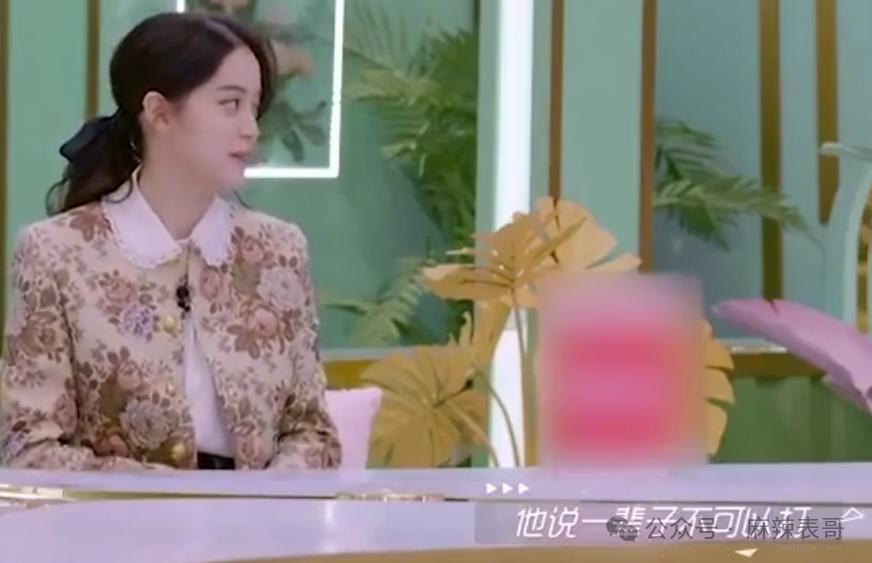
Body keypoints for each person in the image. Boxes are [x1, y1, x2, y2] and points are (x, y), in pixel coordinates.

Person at [0, 12, 342, 471]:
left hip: (262, 513)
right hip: (114, 516)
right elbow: (29, 449)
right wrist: (177, 498)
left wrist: (262, 497)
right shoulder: (55, 254)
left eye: (254, 107)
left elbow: (313, 433)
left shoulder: (280, 251)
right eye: (230, 104)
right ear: (159, 112)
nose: (251, 128)